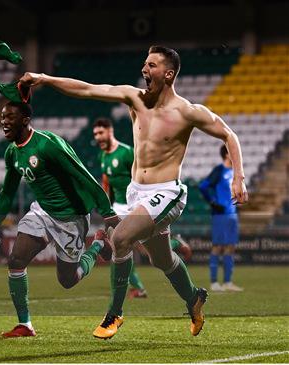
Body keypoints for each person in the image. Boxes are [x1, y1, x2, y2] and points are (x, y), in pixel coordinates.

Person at [20, 45, 248, 339]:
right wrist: (44, 78)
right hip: (136, 193)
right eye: (144, 64)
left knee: (121, 238)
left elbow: (229, 134)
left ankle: (114, 314)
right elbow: (88, 90)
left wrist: (238, 176)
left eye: (151, 65)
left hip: (167, 193)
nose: (144, 70)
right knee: (162, 260)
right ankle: (193, 298)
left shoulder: (188, 112)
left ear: (168, 74)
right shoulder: (134, 98)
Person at [0, 101, 117, 338]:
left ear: (25, 120)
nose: (4, 122)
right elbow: (7, 192)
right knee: (16, 260)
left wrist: (107, 211)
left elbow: (84, 175)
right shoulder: (12, 152)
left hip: (71, 217)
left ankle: (98, 245)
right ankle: (25, 325)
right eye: (2, 117)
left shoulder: (48, 145)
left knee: (68, 280)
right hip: (42, 212)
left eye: (10, 118)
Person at [94, 118, 193, 298]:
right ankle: (138, 288)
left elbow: (145, 173)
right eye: (95, 134)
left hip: (137, 205)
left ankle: (176, 244)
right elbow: (106, 181)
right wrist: (106, 206)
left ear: (110, 131)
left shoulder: (126, 152)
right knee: (122, 248)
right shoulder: (103, 156)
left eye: (101, 133)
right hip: (118, 208)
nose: (98, 137)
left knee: (148, 254)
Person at [199, 145, 243, 292]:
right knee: (218, 247)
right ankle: (214, 282)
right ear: (226, 154)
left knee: (231, 247)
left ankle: (228, 282)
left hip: (232, 214)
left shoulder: (235, 173)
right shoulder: (219, 171)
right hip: (220, 215)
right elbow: (203, 186)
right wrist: (213, 202)